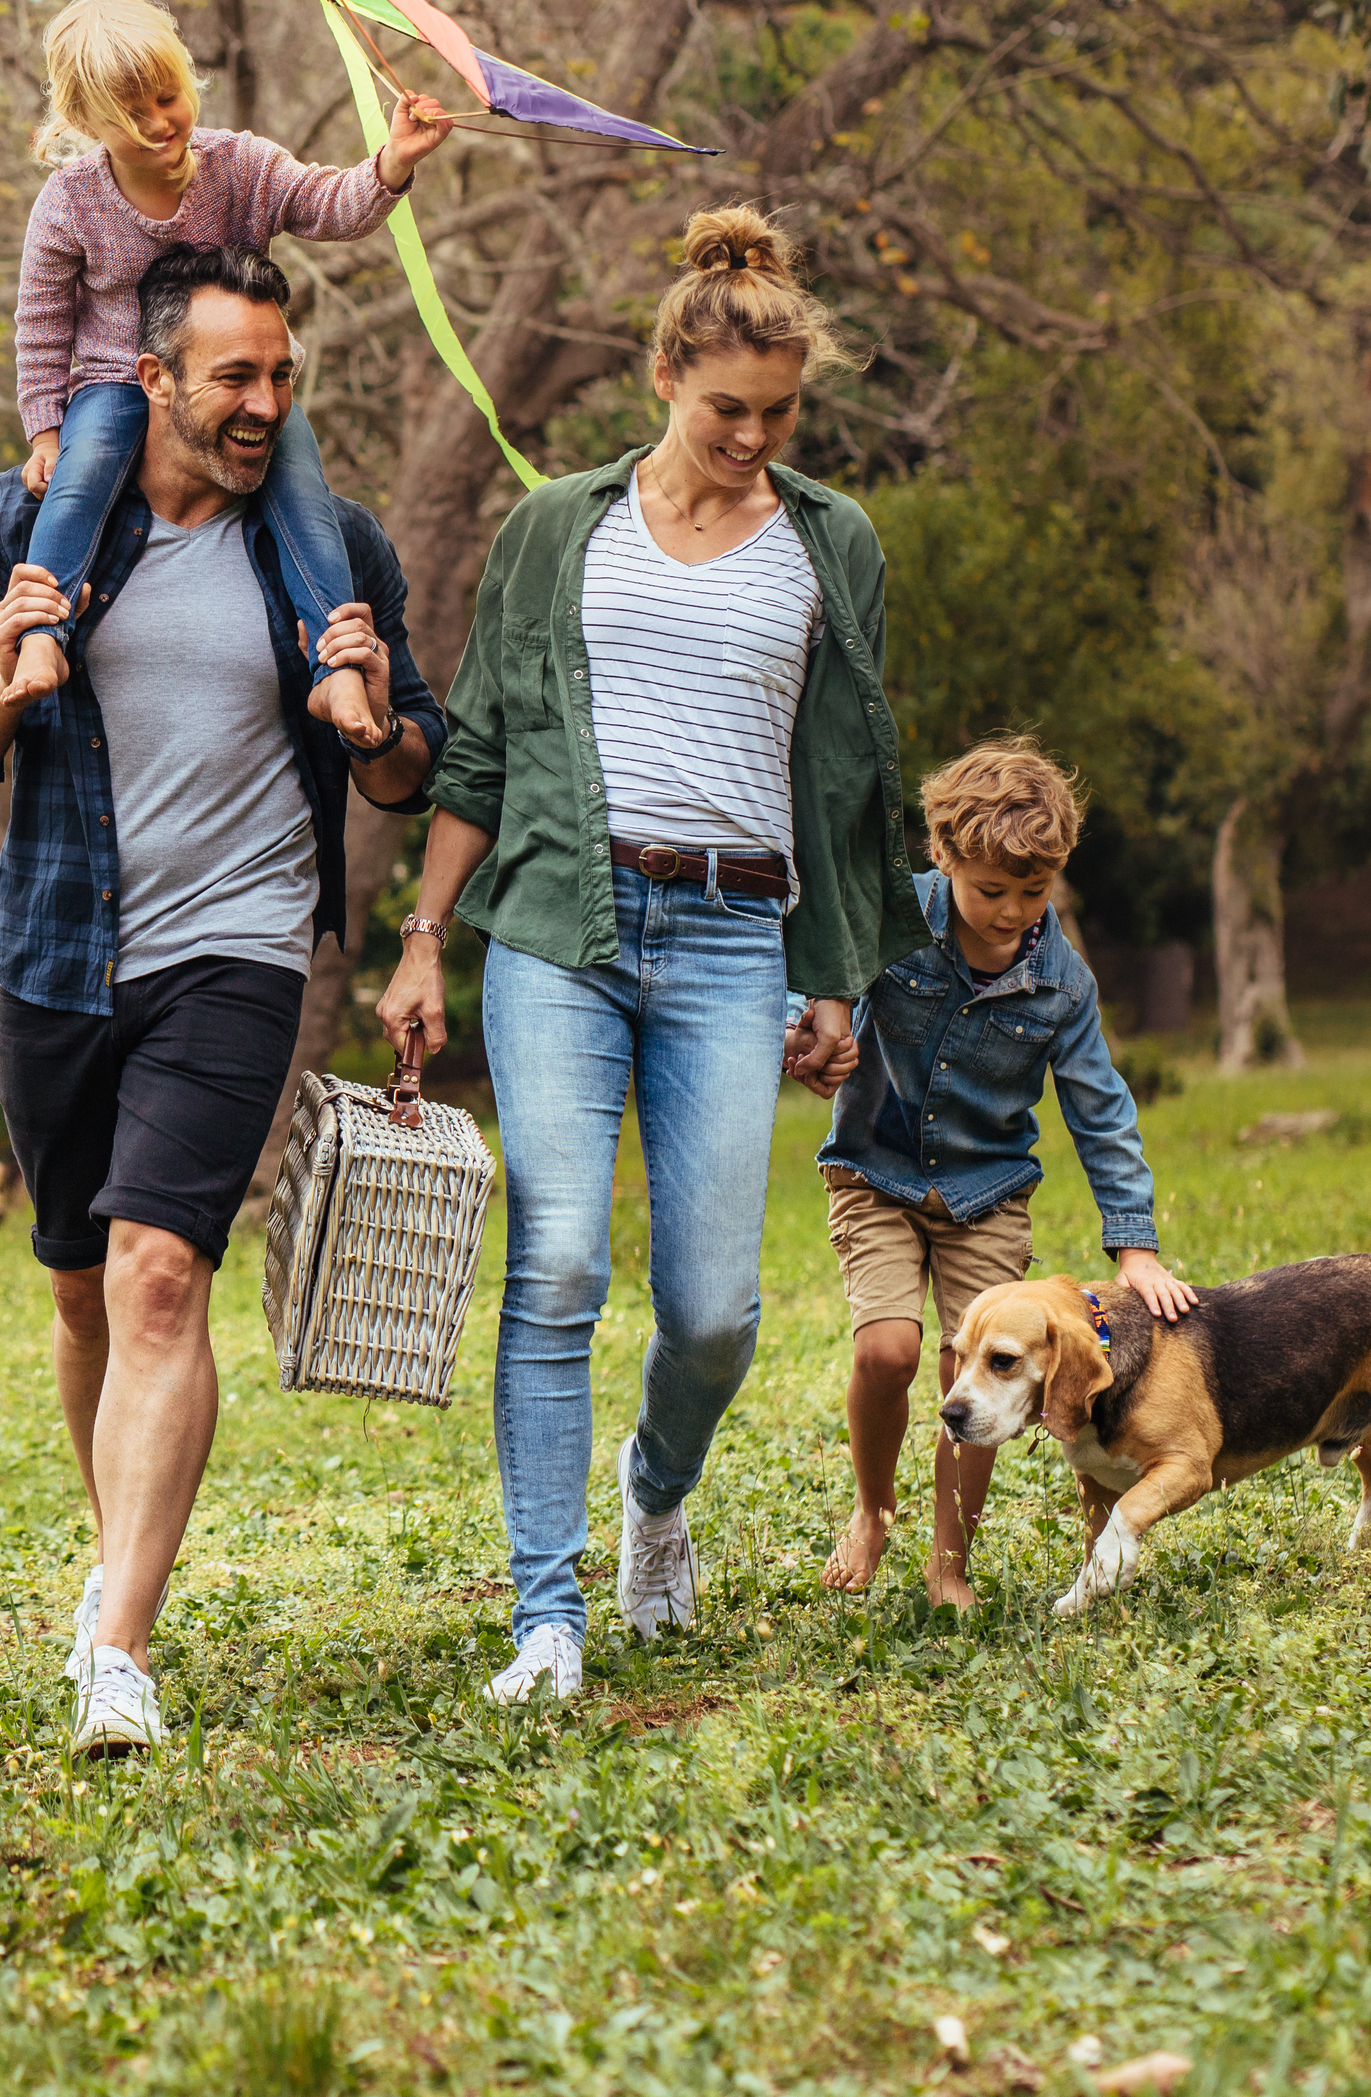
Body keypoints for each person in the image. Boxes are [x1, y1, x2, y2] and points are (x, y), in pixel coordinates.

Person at [0, 243, 447, 1758]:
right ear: (153, 377)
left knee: (158, 1274)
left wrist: (379, 706)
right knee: (80, 1279)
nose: (264, 399)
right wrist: (8, 691)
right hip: (63, 949)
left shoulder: (327, 544)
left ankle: (121, 1651)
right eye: (234, 375)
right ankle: (111, 1557)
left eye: (282, 374)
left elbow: (413, 760)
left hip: (242, 947)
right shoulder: (32, 521)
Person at [376, 205, 920, 1704]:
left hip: (735, 934)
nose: (752, 436)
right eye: (724, 408)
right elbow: (476, 750)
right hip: (562, 924)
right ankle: (542, 1613)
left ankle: (655, 1484)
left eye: (779, 412)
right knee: (555, 1260)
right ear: (664, 375)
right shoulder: (559, 524)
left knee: (711, 1310)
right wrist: (426, 939)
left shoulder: (831, 543)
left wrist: (838, 971)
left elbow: (852, 775)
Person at [6, 0, 452, 737]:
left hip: (235, 379)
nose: (156, 124)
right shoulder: (70, 202)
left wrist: (392, 162)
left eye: (166, 96)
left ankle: (338, 668)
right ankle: (42, 637)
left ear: (187, 78)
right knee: (78, 484)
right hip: (118, 378)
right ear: (85, 122)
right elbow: (42, 320)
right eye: (129, 114)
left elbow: (325, 204)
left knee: (305, 497)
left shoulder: (238, 164)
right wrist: (45, 430)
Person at [810, 740, 1193, 1606]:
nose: (1012, 911)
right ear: (942, 859)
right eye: (990, 890)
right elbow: (817, 988)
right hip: (875, 1173)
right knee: (887, 1348)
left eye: (1034, 891)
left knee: (972, 1376)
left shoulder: (1061, 981)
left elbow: (1100, 1108)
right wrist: (811, 1041)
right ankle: (873, 1510)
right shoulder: (888, 920)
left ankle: (950, 1564)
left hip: (987, 1196)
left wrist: (1133, 1247)